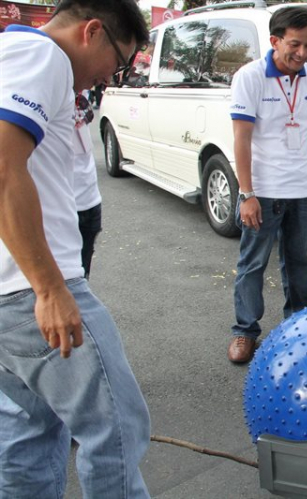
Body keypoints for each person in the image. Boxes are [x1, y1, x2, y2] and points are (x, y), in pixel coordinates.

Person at [0, 1, 151, 497]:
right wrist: (49, 288)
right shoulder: (42, 56)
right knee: (118, 428)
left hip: (10, 293)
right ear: (93, 32)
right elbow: (2, 169)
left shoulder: (12, 51)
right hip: (29, 290)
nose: (110, 78)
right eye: (119, 63)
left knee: (29, 430)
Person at [228, 7, 307, 364]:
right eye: (295, 45)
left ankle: (300, 328)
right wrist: (246, 194)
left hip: (303, 190)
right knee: (252, 264)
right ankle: (245, 332)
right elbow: (241, 139)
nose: (303, 53)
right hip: (263, 190)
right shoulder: (249, 77)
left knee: (299, 263)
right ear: (275, 40)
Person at [73, 93, 103, 279]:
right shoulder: (39, 85)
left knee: (82, 276)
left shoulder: (81, 91)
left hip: (89, 198)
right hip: (58, 209)